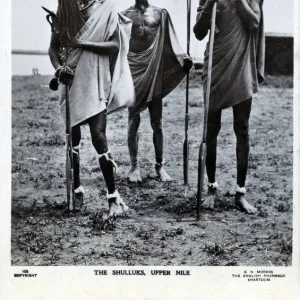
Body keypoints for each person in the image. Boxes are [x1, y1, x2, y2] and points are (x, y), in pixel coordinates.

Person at [46, 0, 135, 216]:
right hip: (70, 79)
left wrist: (83, 43)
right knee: (73, 139)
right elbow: (53, 48)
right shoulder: (65, 9)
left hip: (95, 79)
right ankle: (77, 190)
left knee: (99, 136)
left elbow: (115, 44)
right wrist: (59, 70)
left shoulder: (104, 9)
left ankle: (113, 197)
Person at [193, 0, 265, 213]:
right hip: (215, 64)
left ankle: (240, 193)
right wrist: (210, 4)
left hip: (241, 64)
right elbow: (198, 32)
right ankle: (211, 188)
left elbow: (254, 23)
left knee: (242, 129)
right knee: (211, 129)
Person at [121, 0, 193, 183]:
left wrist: (183, 57)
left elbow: (171, 40)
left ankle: (160, 166)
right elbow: (118, 45)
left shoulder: (161, 14)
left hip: (154, 70)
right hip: (133, 70)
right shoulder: (123, 15)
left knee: (157, 122)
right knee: (133, 119)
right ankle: (134, 167)